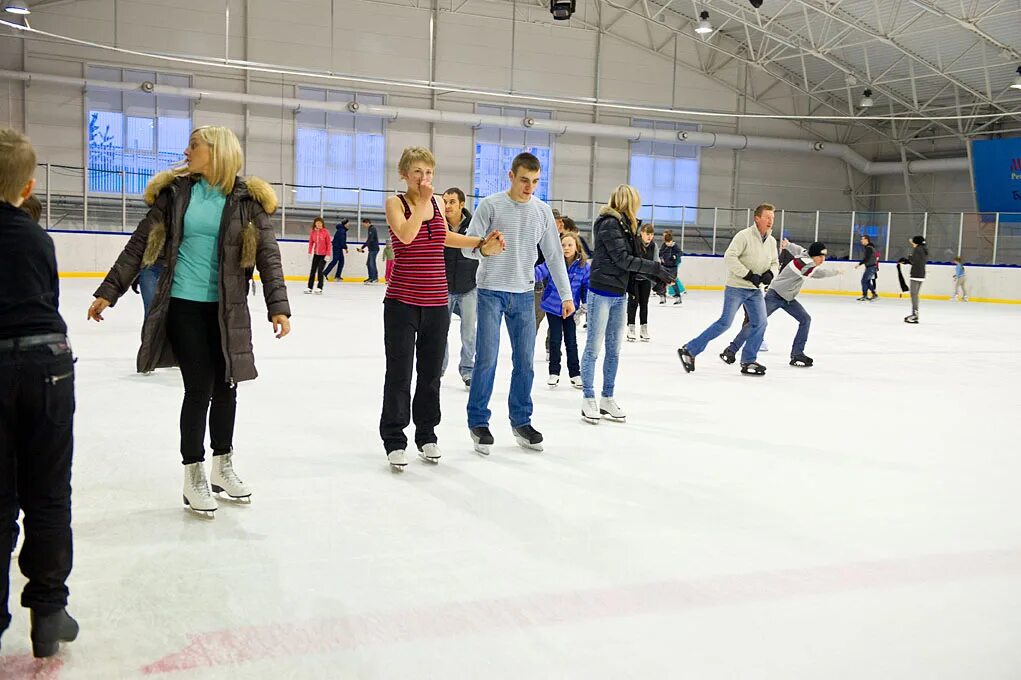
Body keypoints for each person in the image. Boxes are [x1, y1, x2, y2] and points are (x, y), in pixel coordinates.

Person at [89, 126, 292, 516]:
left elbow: (269, 256)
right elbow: (138, 244)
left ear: (216, 152)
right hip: (182, 303)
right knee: (199, 386)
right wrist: (108, 292)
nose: (186, 150)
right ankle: (193, 472)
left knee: (227, 386)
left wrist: (277, 306)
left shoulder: (247, 199)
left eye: (194, 145)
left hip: (225, 307)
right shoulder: (176, 194)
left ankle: (222, 465)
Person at [0, 128, 79, 659]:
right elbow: (47, 298)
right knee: (48, 493)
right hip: (49, 366)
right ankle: (48, 610)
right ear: (28, 187)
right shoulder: (37, 239)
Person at [380, 147, 503, 470]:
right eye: (418, 172)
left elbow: (444, 237)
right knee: (399, 374)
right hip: (402, 302)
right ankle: (394, 438)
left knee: (431, 373)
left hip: (436, 302)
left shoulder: (435, 203)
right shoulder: (397, 203)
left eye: (429, 173)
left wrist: (478, 243)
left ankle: (426, 433)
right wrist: (422, 201)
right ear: (404, 174)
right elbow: (406, 237)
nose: (424, 178)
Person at [463, 152, 572, 455]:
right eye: (524, 180)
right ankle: (478, 422)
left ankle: (521, 420)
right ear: (511, 176)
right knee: (487, 359)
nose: (529, 187)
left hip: (524, 295)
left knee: (524, 362)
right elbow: (468, 249)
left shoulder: (541, 211)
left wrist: (565, 294)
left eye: (535, 181)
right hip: (490, 292)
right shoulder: (491, 205)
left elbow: (553, 255)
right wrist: (485, 250)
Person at [580, 186, 675, 423]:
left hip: (619, 293)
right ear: (628, 202)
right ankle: (588, 398)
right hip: (601, 291)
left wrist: (655, 277)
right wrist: (655, 268)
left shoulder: (626, 225)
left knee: (614, 349)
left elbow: (631, 262)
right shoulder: (610, 224)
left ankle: (607, 398)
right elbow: (622, 259)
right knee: (593, 348)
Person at [678, 203, 779, 377]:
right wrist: (747, 274)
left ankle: (748, 360)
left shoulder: (771, 241)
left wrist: (771, 273)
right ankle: (690, 349)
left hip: (755, 291)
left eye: (772, 218)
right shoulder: (744, 236)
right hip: (737, 287)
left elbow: (775, 263)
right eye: (767, 217)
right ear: (757, 218)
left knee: (760, 322)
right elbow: (729, 257)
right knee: (725, 323)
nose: (771, 221)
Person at [721, 240, 841, 368]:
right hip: (775, 295)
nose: (822, 260)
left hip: (788, 298)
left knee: (805, 319)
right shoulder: (803, 263)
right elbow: (818, 274)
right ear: (814, 255)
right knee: (756, 323)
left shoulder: (804, 254)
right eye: (820, 256)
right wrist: (836, 272)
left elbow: (798, 249)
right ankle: (731, 350)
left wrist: (788, 245)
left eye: (824, 257)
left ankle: (797, 354)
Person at [536, 233, 589, 389]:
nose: (566, 248)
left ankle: (575, 374)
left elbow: (586, 287)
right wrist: (527, 275)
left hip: (571, 310)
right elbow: (540, 271)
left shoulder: (584, 267)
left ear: (577, 247)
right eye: (563, 245)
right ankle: (554, 372)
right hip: (553, 306)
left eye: (569, 245)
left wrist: (584, 307)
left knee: (571, 341)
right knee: (555, 340)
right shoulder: (554, 261)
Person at [441, 187, 478, 389]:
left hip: (469, 288)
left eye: (452, 202)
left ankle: (467, 370)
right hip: (443, 287)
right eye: (445, 201)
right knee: (440, 331)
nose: (447, 206)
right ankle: (439, 368)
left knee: (468, 333)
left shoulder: (474, 225)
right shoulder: (438, 225)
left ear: (461, 204)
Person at [626, 223, 657, 343]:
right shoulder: (635, 244)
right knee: (633, 303)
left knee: (644, 304)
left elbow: (656, 262)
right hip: (634, 279)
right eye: (647, 234)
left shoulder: (653, 246)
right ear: (641, 233)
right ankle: (631, 328)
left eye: (652, 234)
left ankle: (644, 328)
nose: (650, 237)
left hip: (646, 280)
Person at [898, 236, 927, 323]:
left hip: (916, 274)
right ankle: (915, 313)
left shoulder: (918, 249)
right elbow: (917, 261)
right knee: (915, 295)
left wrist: (909, 258)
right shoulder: (923, 249)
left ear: (917, 243)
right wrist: (907, 261)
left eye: (914, 243)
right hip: (921, 274)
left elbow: (914, 260)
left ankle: (915, 315)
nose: (913, 244)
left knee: (914, 295)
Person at [306, 217, 331, 294]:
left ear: (322, 224)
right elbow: (311, 243)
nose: (319, 224)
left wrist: (328, 254)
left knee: (320, 270)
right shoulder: (313, 232)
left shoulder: (325, 232)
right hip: (316, 254)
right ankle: (309, 287)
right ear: (315, 224)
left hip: (323, 255)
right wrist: (309, 252)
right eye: (317, 223)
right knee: (313, 270)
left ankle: (320, 287)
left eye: (320, 223)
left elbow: (329, 244)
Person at [855, 234, 879, 301]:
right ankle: (874, 294)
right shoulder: (870, 247)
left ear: (866, 240)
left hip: (871, 267)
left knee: (864, 281)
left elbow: (867, 258)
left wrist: (859, 264)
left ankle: (865, 296)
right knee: (867, 281)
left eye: (862, 239)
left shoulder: (869, 248)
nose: (861, 240)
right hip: (871, 267)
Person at [357, 218, 380, 283]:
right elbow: (369, 239)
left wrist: (362, 247)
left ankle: (375, 278)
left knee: (372, 263)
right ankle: (371, 277)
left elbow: (370, 239)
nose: (364, 226)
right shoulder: (370, 229)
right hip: (371, 249)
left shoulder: (372, 229)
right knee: (368, 263)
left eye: (364, 224)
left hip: (374, 249)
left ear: (367, 223)